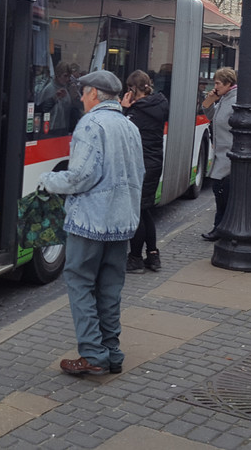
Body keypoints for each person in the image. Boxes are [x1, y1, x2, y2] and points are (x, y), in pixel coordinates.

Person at [38, 70, 143, 375]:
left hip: (90, 223)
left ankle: (93, 354)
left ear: (95, 94)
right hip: (122, 222)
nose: (80, 98)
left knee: (80, 283)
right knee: (110, 289)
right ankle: (112, 351)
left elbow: (80, 176)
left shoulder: (90, 124)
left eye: (83, 93)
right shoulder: (128, 125)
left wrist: (47, 180)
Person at [122, 70, 169, 274]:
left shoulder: (136, 112)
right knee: (145, 210)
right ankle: (153, 255)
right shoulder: (158, 104)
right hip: (155, 163)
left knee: (138, 212)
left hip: (141, 165)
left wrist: (124, 110)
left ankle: (135, 258)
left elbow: (123, 134)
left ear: (132, 89)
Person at [200, 67, 238, 241]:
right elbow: (213, 118)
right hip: (220, 154)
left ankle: (221, 228)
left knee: (222, 193)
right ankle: (220, 227)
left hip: (229, 156)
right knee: (220, 192)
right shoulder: (224, 98)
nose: (215, 86)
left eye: (217, 83)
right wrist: (209, 101)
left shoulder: (235, 100)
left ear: (228, 83)